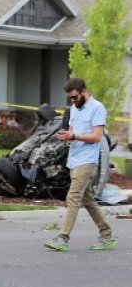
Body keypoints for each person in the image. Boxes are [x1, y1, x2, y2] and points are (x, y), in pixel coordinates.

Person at [44, 77, 116, 252]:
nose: (72, 100)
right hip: (74, 160)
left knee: (73, 197)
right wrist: (66, 136)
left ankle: (63, 238)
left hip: (87, 161)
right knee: (88, 200)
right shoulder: (74, 109)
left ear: (83, 91)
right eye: (70, 98)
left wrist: (74, 136)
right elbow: (72, 132)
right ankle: (107, 235)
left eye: (75, 97)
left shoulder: (97, 108)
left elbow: (96, 137)